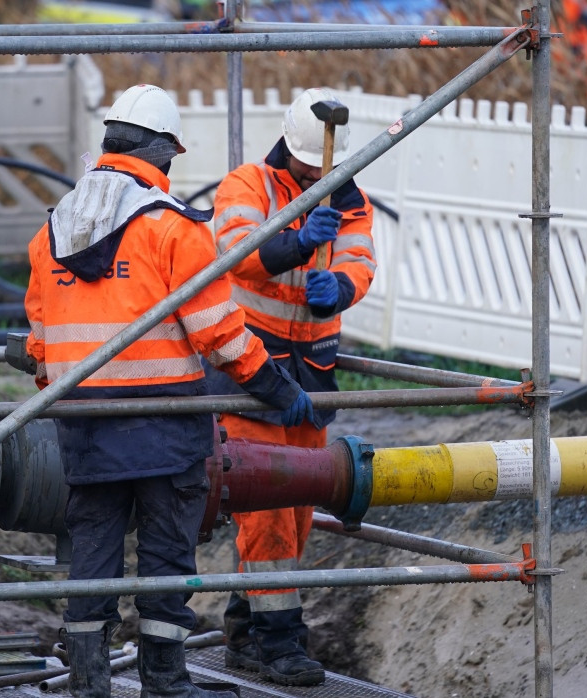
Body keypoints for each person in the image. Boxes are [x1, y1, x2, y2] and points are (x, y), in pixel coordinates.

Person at [23, 83, 317, 698]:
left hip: (84, 426)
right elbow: (221, 336)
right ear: (163, 154)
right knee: (165, 554)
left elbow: (40, 345)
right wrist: (275, 387)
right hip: (166, 424)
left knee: (93, 555)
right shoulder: (172, 229)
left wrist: (72, 401)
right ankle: (164, 681)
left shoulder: (51, 230)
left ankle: (88, 683)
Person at [204, 86, 377, 687]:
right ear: (289, 148)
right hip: (253, 370)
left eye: (320, 168)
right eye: (306, 167)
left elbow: (360, 259)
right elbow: (237, 254)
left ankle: (245, 632)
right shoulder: (246, 186)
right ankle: (280, 644)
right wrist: (295, 242)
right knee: (270, 508)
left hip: (314, 370)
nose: (314, 175)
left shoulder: (348, 194)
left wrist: (345, 288)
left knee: (297, 509)